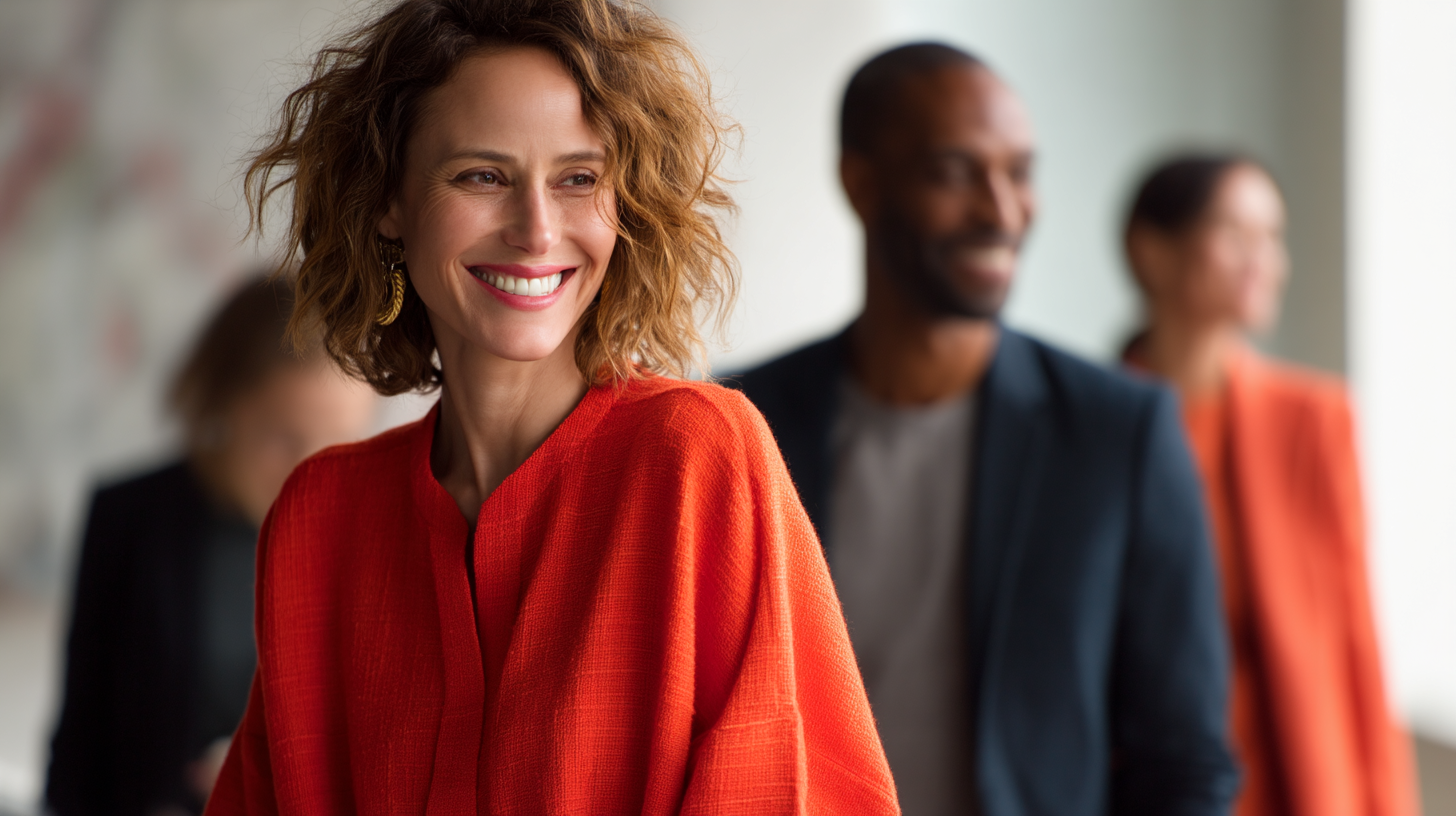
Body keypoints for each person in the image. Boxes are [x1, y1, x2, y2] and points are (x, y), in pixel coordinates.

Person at [205, 1, 898, 813]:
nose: (538, 231)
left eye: (578, 179)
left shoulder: (695, 457)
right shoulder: (319, 518)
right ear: (388, 200)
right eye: (482, 175)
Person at [732, 43, 1237, 816]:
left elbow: (1188, 763)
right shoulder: (742, 425)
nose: (1002, 211)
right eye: (954, 171)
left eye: (1020, 172)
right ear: (861, 182)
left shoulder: (1120, 432)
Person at [1121, 155, 1420, 816]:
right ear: (1152, 251)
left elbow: (1355, 642)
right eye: (1234, 232)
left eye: (1273, 237)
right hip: (1144, 788)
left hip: (1296, 786)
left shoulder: (1312, 422)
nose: (1264, 259)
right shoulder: (1090, 426)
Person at [46, 275, 377, 815]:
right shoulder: (129, 518)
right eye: (282, 438)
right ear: (222, 403)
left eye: (340, 445)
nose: (307, 472)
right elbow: (79, 746)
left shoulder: (381, 542)